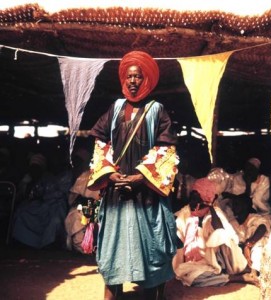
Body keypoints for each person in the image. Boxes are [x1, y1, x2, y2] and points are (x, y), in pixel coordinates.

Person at [87, 51, 179, 300]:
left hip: (147, 194)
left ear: (146, 78)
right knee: (112, 249)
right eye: (129, 76)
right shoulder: (115, 108)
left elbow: (166, 150)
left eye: (138, 76)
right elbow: (100, 141)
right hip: (116, 193)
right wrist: (109, 173)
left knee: (153, 249)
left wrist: (141, 177)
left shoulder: (157, 110)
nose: (133, 81)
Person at [173, 178, 258, 288]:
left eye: (198, 199)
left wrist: (210, 206)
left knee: (220, 234)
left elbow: (221, 231)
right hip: (198, 264)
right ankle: (236, 278)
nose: (194, 203)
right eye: (193, 198)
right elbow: (178, 229)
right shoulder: (185, 213)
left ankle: (224, 274)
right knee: (190, 277)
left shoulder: (214, 212)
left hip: (221, 262)